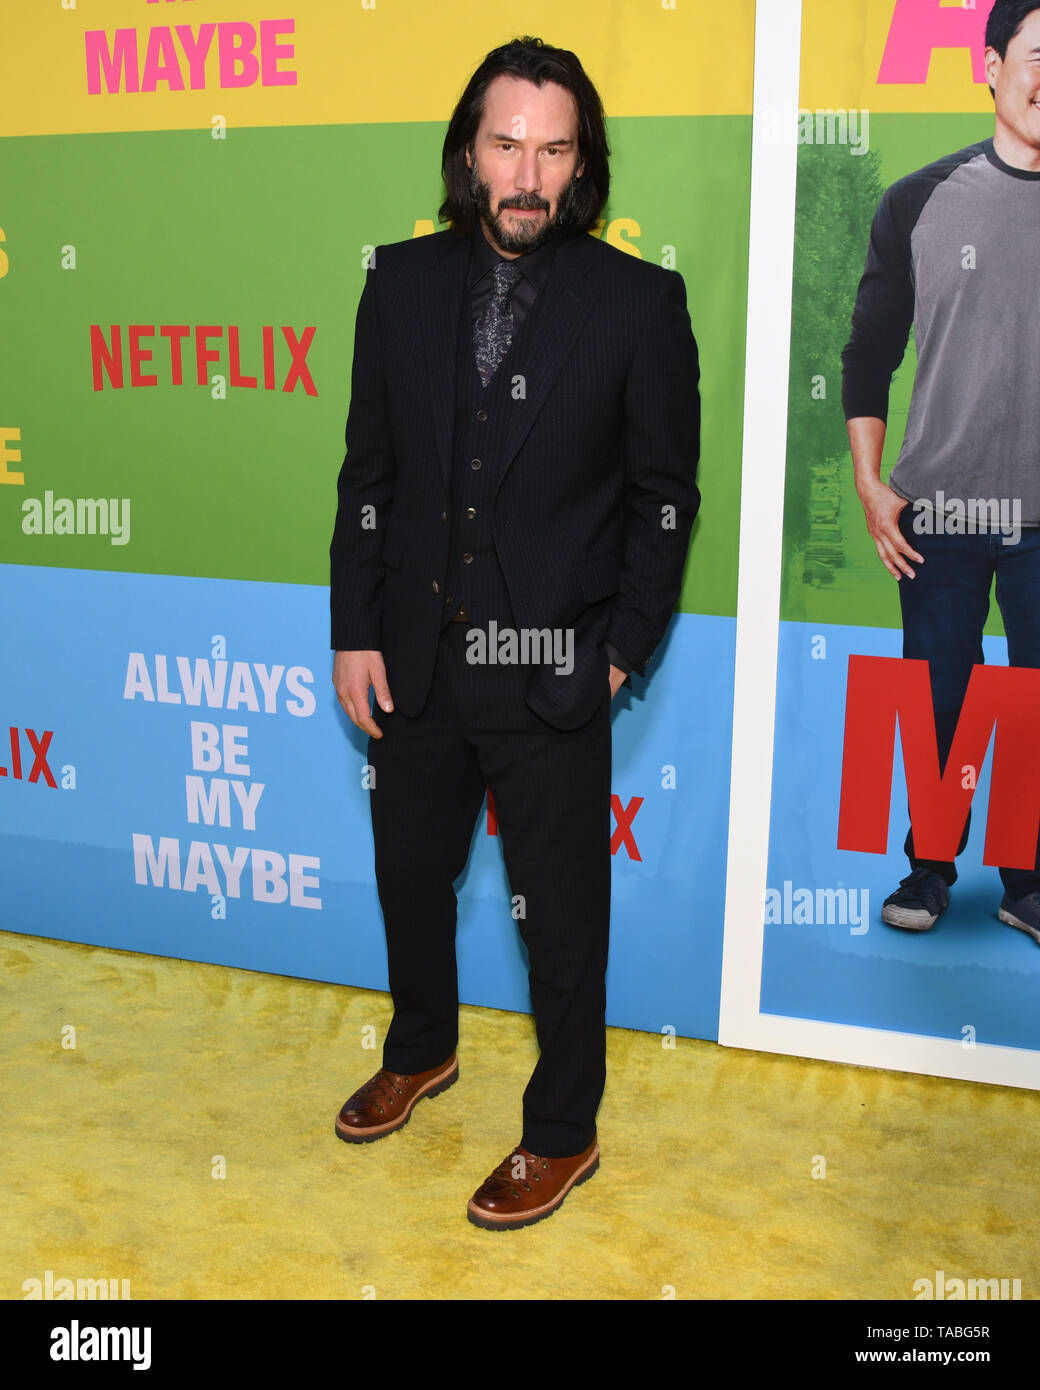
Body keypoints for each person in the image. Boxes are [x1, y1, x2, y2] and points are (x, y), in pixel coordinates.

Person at [328, 35, 700, 1229]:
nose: (526, 175)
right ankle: (421, 1049)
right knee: (409, 876)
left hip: (552, 670)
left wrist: (616, 651)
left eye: (552, 150)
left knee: (561, 922)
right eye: (505, 145)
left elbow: (663, 498)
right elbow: (368, 472)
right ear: (468, 152)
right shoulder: (396, 281)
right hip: (414, 655)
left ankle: (561, 1129)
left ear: (581, 164)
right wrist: (353, 625)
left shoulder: (637, 304)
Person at [842, 0, 1040, 943]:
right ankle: (929, 867)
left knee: (1035, 705)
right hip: (943, 516)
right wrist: (871, 483)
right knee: (941, 700)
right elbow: (868, 354)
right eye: (1039, 57)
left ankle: (1027, 881)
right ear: (992, 65)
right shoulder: (918, 201)